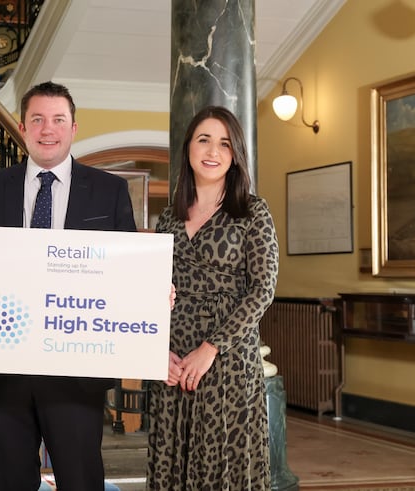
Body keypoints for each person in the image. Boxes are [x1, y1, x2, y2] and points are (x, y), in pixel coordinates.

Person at [0, 81, 137, 490]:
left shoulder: (109, 190)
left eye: (58, 120)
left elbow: (129, 267)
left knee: (80, 480)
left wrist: (149, 292)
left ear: (74, 128)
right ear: (22, 127)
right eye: (37, 120)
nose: (47, 129)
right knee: (11, 481)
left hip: (77, 370)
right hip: (4, 368)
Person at [147, 105, 279, 490]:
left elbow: (263, 288)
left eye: (224, 143)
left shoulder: (253, 211)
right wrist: (157, 351)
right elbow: (152, 289)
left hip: (228, 362)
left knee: (223, 466)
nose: (213, 151)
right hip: (173, 358)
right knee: (173, 458)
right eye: (204, 139)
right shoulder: (169, 218)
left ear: (235, 153)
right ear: (188, 147)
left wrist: (211, 348)